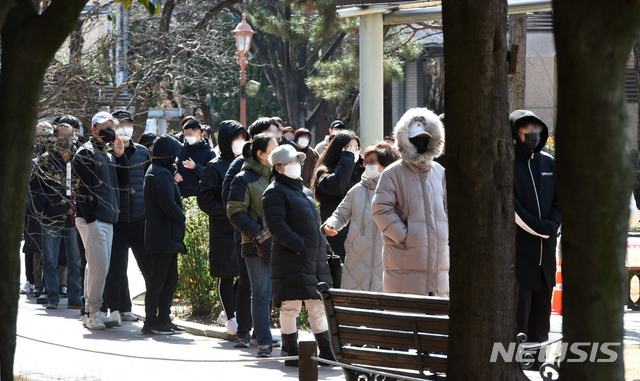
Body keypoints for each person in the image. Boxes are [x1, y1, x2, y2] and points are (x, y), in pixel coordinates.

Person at [263, 145, 334, 367]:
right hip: (292, 259)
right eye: (292, 161)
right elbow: (276, 226)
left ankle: (326, 352)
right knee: (290, 306)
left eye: (298, 160)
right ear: (278, 167)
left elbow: (313, 224)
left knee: (317, 306)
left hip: (314, 259)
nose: (298, 165)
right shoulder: (273, 192)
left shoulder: (304, 191)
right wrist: (300, 246)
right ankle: (291, 351)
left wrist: (322, 246)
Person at [371, 107, 449, 296]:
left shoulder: (439, 172)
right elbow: (380, 208)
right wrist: (404, 235)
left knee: (435, 320)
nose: (421, 142)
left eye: (425, 138)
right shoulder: (393, 173)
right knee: (407, 318)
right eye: (415, 139)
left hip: (438, 261)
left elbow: (448, 206)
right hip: (404, 261)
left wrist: (444, 232)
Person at [510, 110, 560, 360]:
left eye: (536, 128)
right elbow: (513, 208)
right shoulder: (508, 164)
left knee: (541, 323)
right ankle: (518, 366)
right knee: (521, 322)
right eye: (526, 128)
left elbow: (559, 202)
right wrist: (544, 229)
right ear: (515, 133)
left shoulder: (550, 163)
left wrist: (553, 225)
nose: (532, 133)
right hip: (521, 259)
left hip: (546, 261)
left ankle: (538, 364)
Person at [73, 111, 129, 329]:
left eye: (112, 126)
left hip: (107, 217)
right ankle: (93, 312)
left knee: (96, 267)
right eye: (106, 126)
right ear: (94, 128)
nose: (111, 130)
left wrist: (120, 154)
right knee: (98, 267)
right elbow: (82, 190)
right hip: (94, 219)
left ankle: (90, 311)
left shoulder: (106, 153)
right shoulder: (85, 153)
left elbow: (122, 181)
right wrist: (92, 219)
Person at [321, 142, 399, 292]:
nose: (368, 165)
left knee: (385, 309)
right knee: (356, 307)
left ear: (385, 164)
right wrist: (330, 225)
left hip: (386, 259)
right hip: (356, 261)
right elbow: (340, 214)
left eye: (372, 162)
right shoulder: (356, 190)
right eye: (366, 162)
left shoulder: (395, 190)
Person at [227, 134, 278, 357]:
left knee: (279, 295)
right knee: (260, 294)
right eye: (273, 150)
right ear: (261, 153)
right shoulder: (243, 178)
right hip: (254, 246)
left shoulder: (279, 176)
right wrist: (259, 233)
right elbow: (234, 211)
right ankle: (264, 342)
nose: (277, 154)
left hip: (280, 244)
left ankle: (282, 338)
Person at [197, 120, 249, 336]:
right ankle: (230, 318)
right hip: (224, 229)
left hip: (245, 228)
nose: (240, 142)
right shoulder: (214, 166)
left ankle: (233, 313)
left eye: (242, 137)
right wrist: (229, 211)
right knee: (226, 275)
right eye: (235, 138)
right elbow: (205, 200)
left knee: (244, 275)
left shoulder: (247, 163)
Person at [102, 110, 151, 322]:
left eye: (129, 123)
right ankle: (117, 308)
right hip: (117, 218)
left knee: (148, 266)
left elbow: (150, 181)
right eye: (121, 124)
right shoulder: (106, 153)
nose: (126, 128)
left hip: (140, 218)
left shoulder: (142, 151)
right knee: (116, 268)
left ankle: (155, 310)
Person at [29, 123, 83, 309]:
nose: (67, 140)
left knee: (75, 260)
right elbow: (34, 186)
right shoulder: (45, 160)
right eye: (63, 136)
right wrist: (47, 205)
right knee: (50, 259)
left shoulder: (78, 158)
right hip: (51, 217)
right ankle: (52, 296)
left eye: (70, 136)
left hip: (73, 217)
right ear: (55, 138)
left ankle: (75, 297)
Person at [143, 135, 187, 335]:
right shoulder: (159, 173)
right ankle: (152, 321)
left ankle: (163, 318)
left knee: (168, 279)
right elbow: (168, 203)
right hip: (163, 235)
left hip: (164, 235)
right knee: (159, 280)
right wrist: (182, 216)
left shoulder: (159, 171)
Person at [311, 130, 364, 279]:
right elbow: (338, 186)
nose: (353, 151)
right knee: (341, 277)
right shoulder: (324, 172)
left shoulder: (357, 171)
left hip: (358, 232)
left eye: (356, 147)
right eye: (348, 148)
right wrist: (347, 158)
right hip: (336, 234)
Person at [174, 119, 216, 197]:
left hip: (199, 198)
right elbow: (172, 164)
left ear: (198, 133)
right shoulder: (181, 149)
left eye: (190, 134)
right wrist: (175, 172)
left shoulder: (209, 153)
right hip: (181, 195)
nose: (187, 137)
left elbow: (211, 177)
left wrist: (195, 167)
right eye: (185, 134)